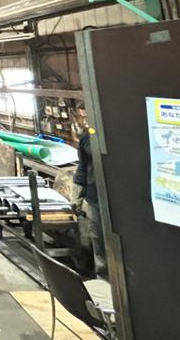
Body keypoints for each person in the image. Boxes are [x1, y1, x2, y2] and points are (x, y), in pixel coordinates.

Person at [73, 104, 108, 279]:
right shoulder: (86, 137)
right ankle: (103, 277)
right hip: (94, 196)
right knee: (98, 238)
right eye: (83, 118)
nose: (85, 121)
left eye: (87, 117)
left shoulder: (113, 134)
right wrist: (77, 195)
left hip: (115, 199)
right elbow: (83, 166)